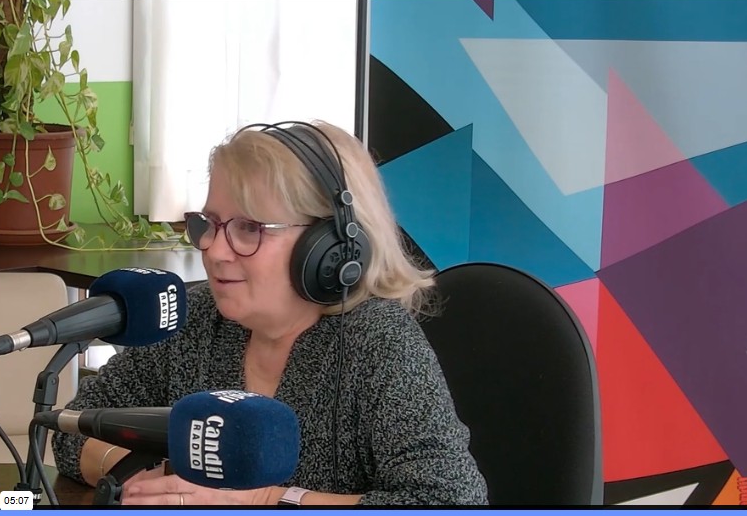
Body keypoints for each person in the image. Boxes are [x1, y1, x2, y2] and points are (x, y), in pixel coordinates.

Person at [52, 120, 488, 505]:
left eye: (249, 228)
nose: (214, 251)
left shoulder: (379, 342)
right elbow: (70, 430)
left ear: (330, 249)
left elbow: (449, 500)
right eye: (209, 224)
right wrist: (144, 477)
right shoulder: (195, 317)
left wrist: (265, 499)